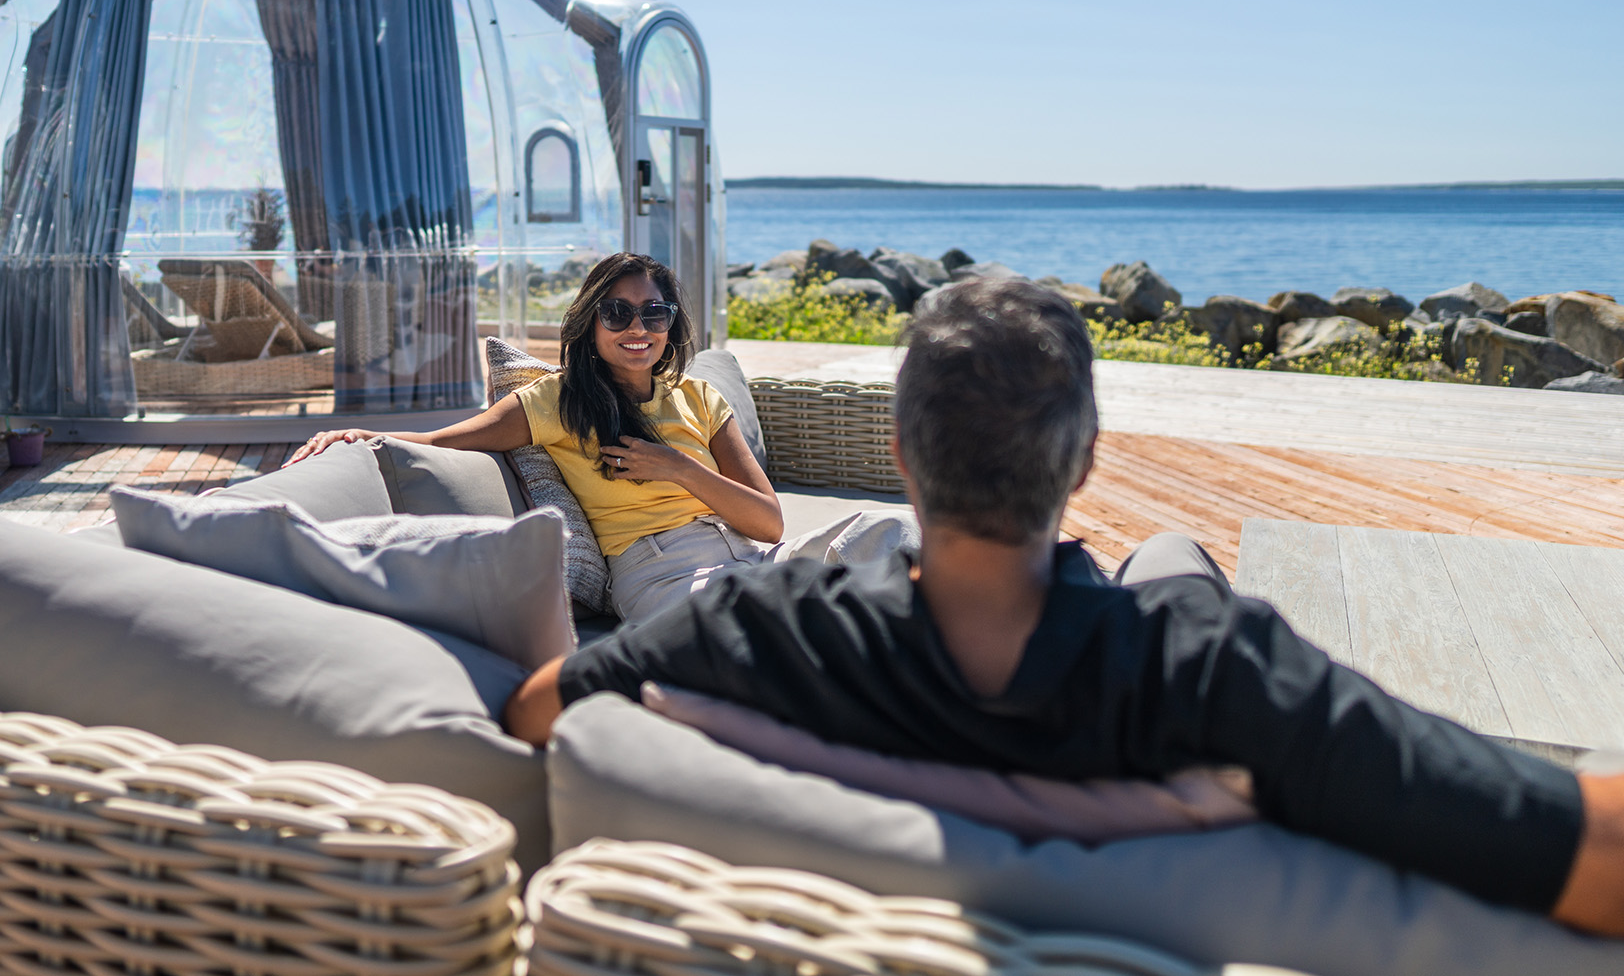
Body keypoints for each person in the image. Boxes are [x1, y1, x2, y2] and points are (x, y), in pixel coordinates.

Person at [500, 276, 1624, 936]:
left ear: (899, 457)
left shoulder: (767, 632)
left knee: (1168, 563)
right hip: (1136, 633)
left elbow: (542, 711)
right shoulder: (1221, 674)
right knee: (1171, 558)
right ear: (1081, 461)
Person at [288, 253, 910, 619]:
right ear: (591, 323)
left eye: (654, 313)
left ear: (671, 324)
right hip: (662, 575)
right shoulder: (556, 401)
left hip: (753, 556)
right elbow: (446, 441)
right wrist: (356, 434)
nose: (638, 328)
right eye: (617, 313)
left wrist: (679, 468)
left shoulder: (699, 398)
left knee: (889, 531)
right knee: (763, 621)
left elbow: (769, 524)